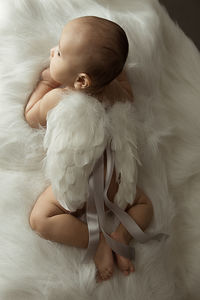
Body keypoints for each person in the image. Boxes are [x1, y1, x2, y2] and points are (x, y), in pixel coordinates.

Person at [24, 16, 154, 283]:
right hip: (115, 183)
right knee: (144, 205)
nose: (51, 52)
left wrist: (44, 84)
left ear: (81, 81)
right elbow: (129, 95)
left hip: (77, 186)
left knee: (41, 219)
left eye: (58, 52)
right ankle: (121, 235)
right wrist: (117, 72)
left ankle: (96, 241)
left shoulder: (58, 98)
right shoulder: (116, 91)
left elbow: (30, 116)